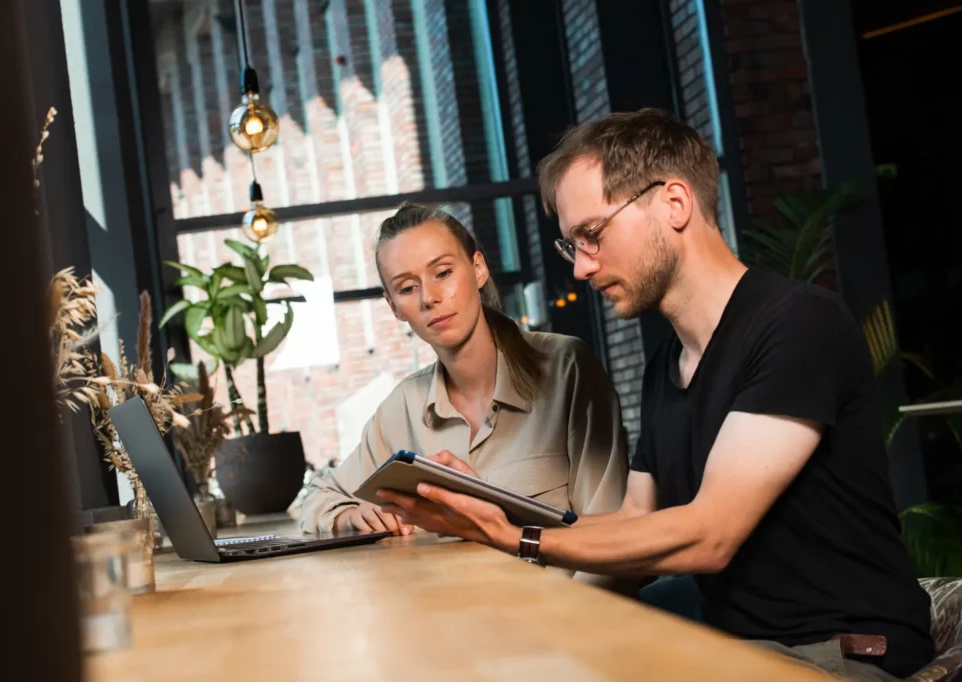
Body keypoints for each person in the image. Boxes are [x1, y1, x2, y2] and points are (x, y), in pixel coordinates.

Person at [376, 110, 934, 680]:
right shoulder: (668, 363)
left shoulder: (797, 325)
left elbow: (709, 536)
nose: (582, 268)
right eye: (573, 245)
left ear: (674, 203)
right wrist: (484, 511)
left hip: (841, 652)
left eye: (592, 234)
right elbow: (635, 519)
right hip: (738, 641)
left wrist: (513, 536)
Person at [298, 202, 629, 541]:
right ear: (393, 306)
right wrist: (350, 517)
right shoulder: (404, 407)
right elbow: (316, 499)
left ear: (478, 269)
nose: (430, 298)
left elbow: (611, 540)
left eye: (443, 273)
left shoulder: (566, 368)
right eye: (407, 288)